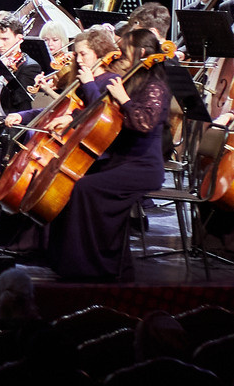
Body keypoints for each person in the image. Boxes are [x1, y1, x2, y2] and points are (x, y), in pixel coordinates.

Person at [40, 24, 170, 282]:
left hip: (142, 166)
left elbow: (143, 123)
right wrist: (72, 119)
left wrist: (124, 99)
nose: (120, 57)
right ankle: (64, 260)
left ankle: (96, 265)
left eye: (125, 52)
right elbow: (106, 115)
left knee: (85, 188)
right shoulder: (133, 80)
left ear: (142, 53)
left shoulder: (156, 86)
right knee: (70, 183)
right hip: (121, 160)